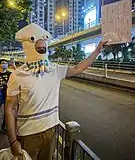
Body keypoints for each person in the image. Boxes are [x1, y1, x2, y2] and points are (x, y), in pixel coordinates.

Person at [5, 23, 107, 160]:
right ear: (28, 48)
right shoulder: (17, 76)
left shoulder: (54, 70)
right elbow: (10, 109)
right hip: (28, 135)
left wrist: (97, 50)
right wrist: (12, 141)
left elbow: (78, 68)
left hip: (51, 130)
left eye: (43, 48)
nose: (41, 50)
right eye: (38, 48)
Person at [0, 59, 16, 132]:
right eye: (3, 63)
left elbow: (16, 75)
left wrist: (14, 67)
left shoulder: (9, 73)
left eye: (6, 63)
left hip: (6, 94)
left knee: (7, 111)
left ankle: (4, 126)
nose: (5, 65)